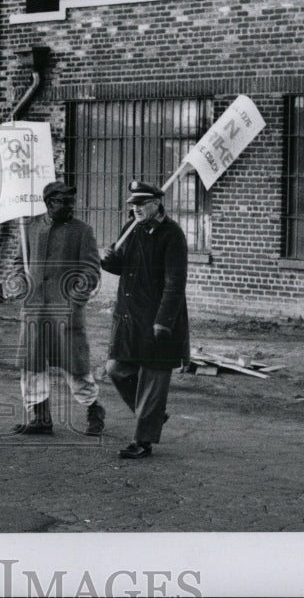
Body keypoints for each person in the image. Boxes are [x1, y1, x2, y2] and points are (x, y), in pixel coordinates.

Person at [99, 180, 190, 460]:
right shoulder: (131, 229)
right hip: (129, 316)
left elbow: (175, 282)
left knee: (153, 377)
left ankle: (142, 439)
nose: (135, 208)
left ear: (156, 203)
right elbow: (121, 265)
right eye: (132, 204)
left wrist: (163, 320)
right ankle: (153, 415)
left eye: (141, 203)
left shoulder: (171, 234)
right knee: (116, 369)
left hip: (157, 319)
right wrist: (108, 259)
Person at [10, 181, 105, 436]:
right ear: (49, 203)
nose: (70, 206)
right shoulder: (29, 227)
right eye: (64, 201)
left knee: (75, 366)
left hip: (65, 311)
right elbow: (20, 261)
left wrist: (74, 301)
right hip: (34, 309)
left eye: (71, 201)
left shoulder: (81, 231)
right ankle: (40, 417)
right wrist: (20, 283)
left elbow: (91, 270)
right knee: (32, 364)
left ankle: (94, 410)